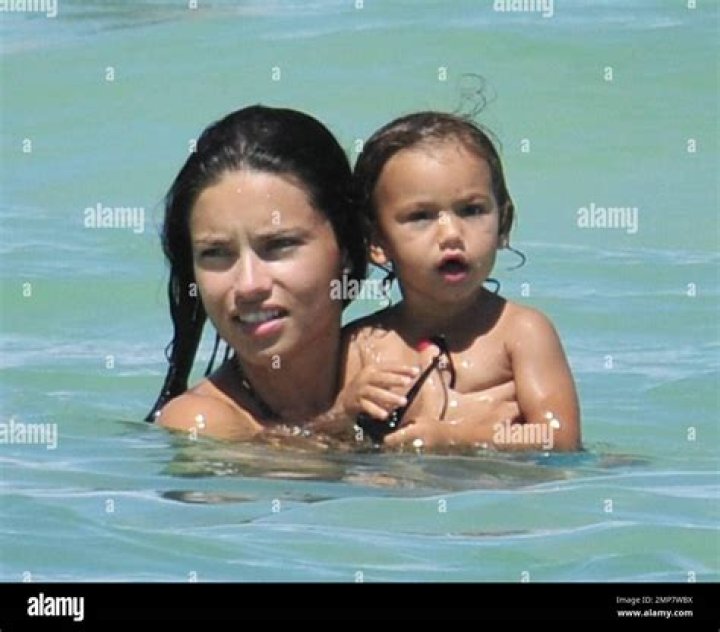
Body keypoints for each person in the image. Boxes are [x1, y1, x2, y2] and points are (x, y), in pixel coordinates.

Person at [338, 111, 581, 451]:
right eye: (421, 216)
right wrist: (343, 413)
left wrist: (456, 438)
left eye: (472, 210)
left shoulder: (522, 332)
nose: (451, 233)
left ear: (503, 223)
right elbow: (329, 444)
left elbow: (558, 436)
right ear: (377, 242)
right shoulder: (361, 344)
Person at [146, 105, 366, 441]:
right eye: (215, 253)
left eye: (278, 245)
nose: (248, 285)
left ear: (347, 249)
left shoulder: (415, 368)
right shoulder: (200, 425)